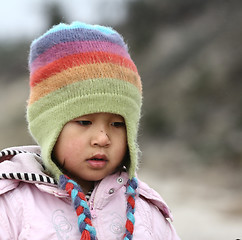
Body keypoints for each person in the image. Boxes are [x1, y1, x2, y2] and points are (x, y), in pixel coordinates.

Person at [0, 22, 180, 240]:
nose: (102, 139)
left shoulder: (146, 211)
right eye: (85, 122)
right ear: (50, 129)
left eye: (117, 124)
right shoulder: (12, 205)